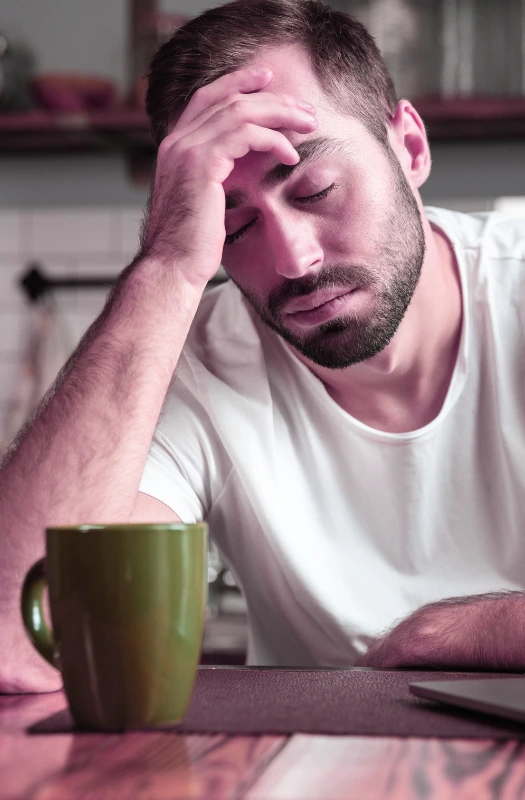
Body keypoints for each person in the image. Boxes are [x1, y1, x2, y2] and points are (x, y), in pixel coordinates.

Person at [1, 0, 525, 694]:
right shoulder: (187, 360)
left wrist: (457, 632)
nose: (293, 261)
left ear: (410, 148)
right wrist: (166, 265)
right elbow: (16, 642)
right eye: (234, 226)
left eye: (316, 189)